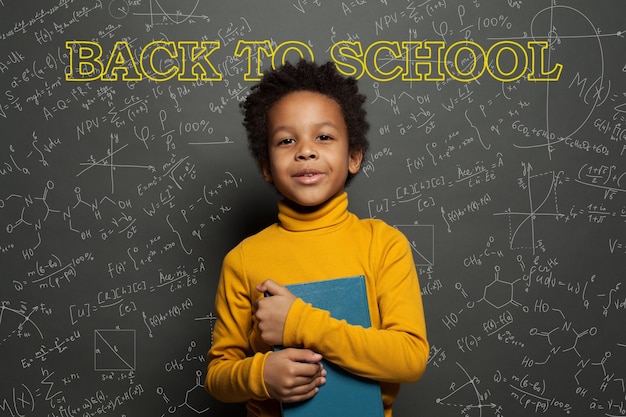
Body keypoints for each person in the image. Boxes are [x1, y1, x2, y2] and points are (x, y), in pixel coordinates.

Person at [205, 59, 429, 417]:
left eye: (323, 137)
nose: (305, 150)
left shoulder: (383, 244)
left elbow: (410, 359)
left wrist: (299, 322)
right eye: (286, 140)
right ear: (266, 167)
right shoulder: (243, 259)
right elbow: (218, 375)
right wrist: (260, 374)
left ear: (354, 156)